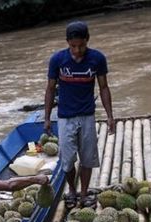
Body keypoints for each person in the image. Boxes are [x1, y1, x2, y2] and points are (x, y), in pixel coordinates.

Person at [44, 20, 115, 208]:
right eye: (73, 46)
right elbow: (50, 89)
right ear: (67, 43)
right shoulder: (57, 60)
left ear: (87, 40)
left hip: (87, 115)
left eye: (81, 45)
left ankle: (83, 194)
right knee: (67, 160)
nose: (77, 50)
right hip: (65, 116)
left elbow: (104, 87)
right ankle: (72, 191)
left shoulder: (97, 59)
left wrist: (110, 116)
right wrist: (47, 118)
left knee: (87, 157)